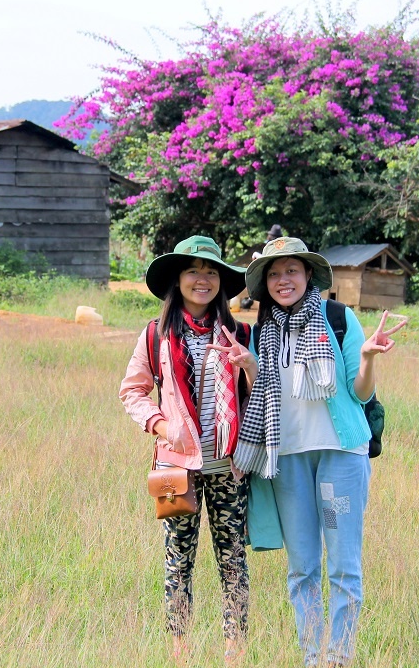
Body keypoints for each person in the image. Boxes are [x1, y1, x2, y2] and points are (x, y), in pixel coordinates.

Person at [232, 236, 406, 667]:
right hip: (288, 458)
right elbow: (264, 400)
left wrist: (367, 359)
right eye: (273, 273)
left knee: (343, 567)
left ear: (308, 274)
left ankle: (340, 657)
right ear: (264, 283)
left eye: (291, 270)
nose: (282, 280)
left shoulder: (340, 319)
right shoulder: (260, 333)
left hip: (339, 455)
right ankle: (313, 658)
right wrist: (251, 369)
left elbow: (360, 393)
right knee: (302, 568)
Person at [119, 235, 259, 664]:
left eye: (211, 271)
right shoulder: (155, 334)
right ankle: (180, 648)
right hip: (174, 470)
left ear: (221, 280)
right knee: (178, 558)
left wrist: (248, 367)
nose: (203, 279)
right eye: (193, 270)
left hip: (228, 467)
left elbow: (260, 399)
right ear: (177, 279)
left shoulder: (240, 332)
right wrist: (161, 424)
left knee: (233, 558)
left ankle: (234, 649)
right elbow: (133, 392)